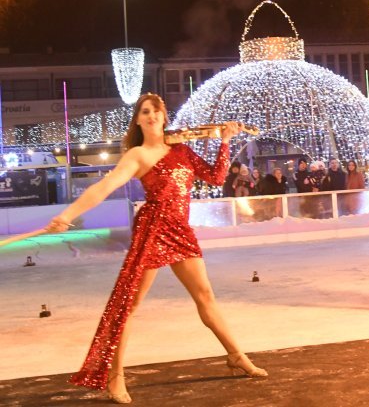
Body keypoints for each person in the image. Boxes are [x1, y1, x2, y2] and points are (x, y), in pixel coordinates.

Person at [45, 93, 266, 403]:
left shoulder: (183, 151)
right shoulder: (137, 155)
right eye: (144, 111)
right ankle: (115, 375)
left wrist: (226, 141)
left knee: (205, 298)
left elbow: (216, 178)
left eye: (156, 111)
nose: (151, 115)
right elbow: (103, 187)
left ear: (164, 117)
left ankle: (235, 355)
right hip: (152, 230)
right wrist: (67, 215)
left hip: (180, 231)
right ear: (138, 120)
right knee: (130, 306)